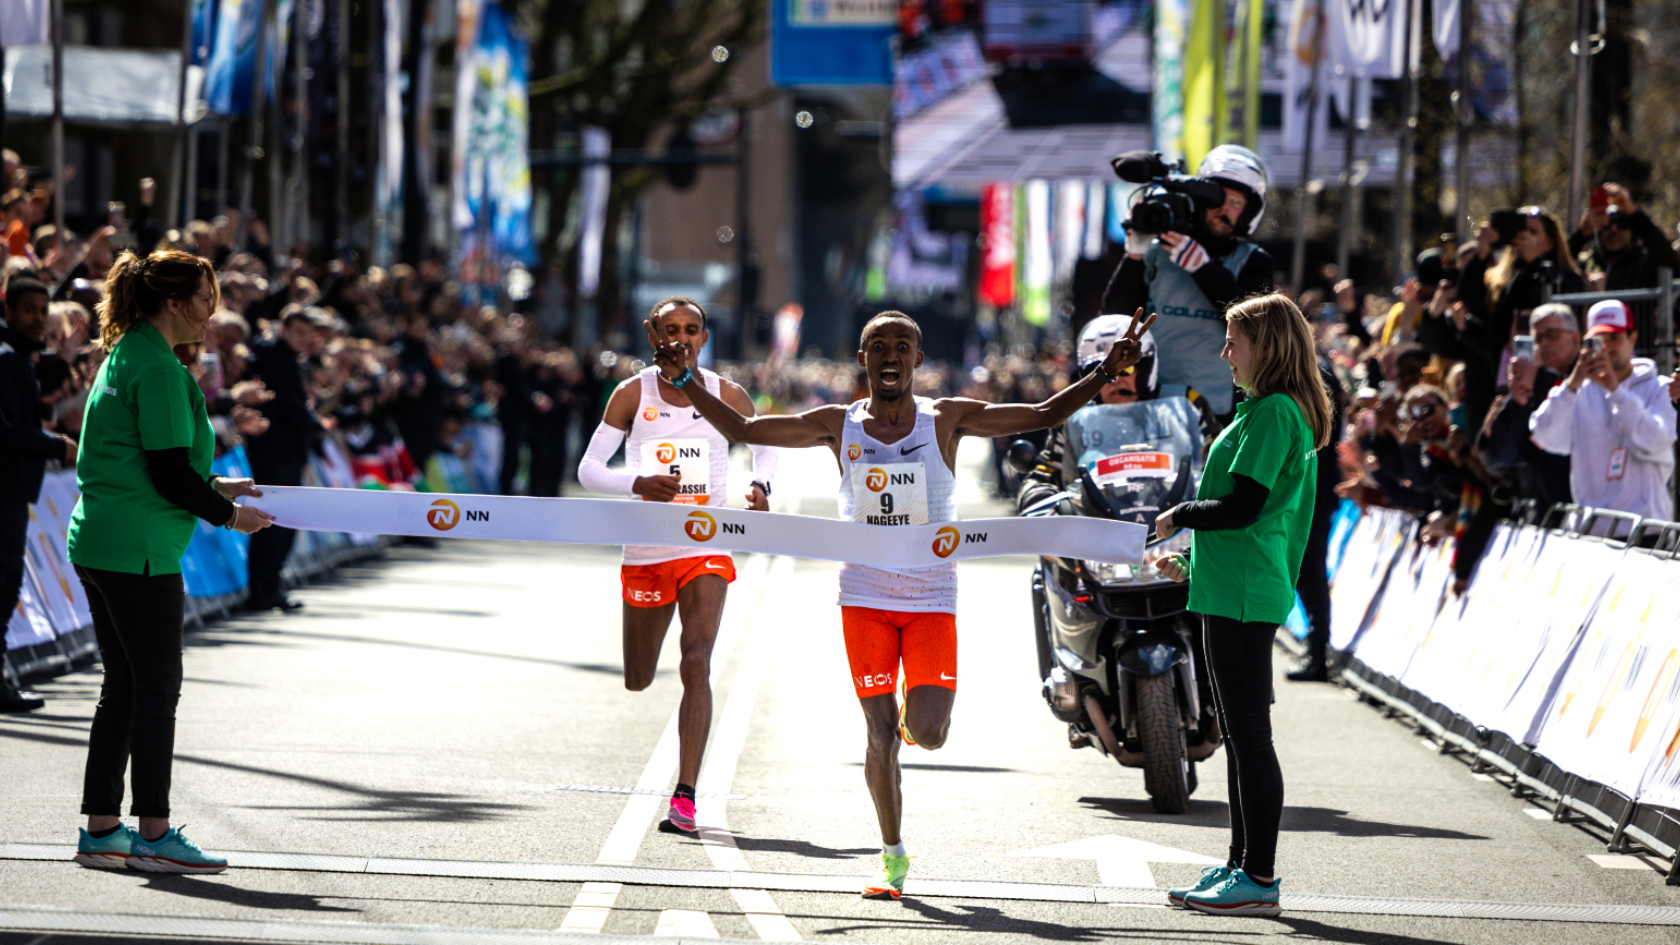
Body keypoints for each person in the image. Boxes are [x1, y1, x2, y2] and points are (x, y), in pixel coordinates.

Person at [655, 306, 1155, 900]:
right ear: (863, 359)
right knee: (879, 733)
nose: (890, 356)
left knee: (930, 731)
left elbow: (1046, 413)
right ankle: (892, 854)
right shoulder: (836, 424)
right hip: (863, 597)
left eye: (901, 347)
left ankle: (913, 721)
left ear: (917, 360)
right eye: (878, 346)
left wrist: (1104, 373)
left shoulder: (946, 420)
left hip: (930, 599)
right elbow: (747, 431)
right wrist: (685, 381)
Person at [69, 250, 274, 874]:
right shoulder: (157, 368)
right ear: (177, 301)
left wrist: (215, 485)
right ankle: (153, 835)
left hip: (104, 541)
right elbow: (164, 475)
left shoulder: (127, 353)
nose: (213, 312)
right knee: (155, 690)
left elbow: (152, 461)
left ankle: (104, 829)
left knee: (124, 689)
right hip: (140, 551)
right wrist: (227, 515)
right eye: (207, 298)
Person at [1152, 292, 1332, 917]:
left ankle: (1258, 874)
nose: (1225, 352)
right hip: (1230, 585)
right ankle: (1239, 864)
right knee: (1239, 736)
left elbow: (1245, 509)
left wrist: (1179, 516)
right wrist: (1191, 560)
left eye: (1235, 341)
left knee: (1251, 738)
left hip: (1247, 592)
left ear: (1269, 345)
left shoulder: (1277, 412)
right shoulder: (1264, 410)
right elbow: (1243, 515)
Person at [575, 296, 778, 835]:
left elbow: (764, 446)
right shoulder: (630, 394)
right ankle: (649, 684)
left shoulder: (724, 393)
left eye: (692, 330)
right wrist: (636, 483)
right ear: (652, 334)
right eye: (671, 329)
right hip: (646, 548)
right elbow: (589, 468)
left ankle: (685, 794)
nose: (681, 338)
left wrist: (761, 484)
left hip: (704, 543)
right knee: (639, 677)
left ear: (704, 339)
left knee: (696, 659)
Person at [1103, 145, 1274, 417]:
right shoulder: (1158, 252)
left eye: (1236, 202)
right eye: (1217, 199)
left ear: (1248, 212)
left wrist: (1203, 268)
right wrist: (1134, 256)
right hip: (1152, 404)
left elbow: (1254, 327)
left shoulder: (1254, 261)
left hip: (1218, 411)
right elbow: (1114, 318)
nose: (1223, 209)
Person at [1432, 207, 1583, 435]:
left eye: (1533, 233)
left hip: (1550, 376)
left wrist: (1535, 264)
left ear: (1551, 242)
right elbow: (1469, 300)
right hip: (1501, 378)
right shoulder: (1502, 280)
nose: (1524, 238)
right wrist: (1482, 252)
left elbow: (1558, 302)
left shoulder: (1567, 277)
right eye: (1520, 231)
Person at [0, 278, 78, 713]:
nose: (37, 318)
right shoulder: (6, 357)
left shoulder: (21, 357)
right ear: (7, 309)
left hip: (14, 491)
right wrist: (55, 444)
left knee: (7, 583)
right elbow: (6, 430)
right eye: (28, 309)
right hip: (5, 490)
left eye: (42, 310)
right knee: (3, 582)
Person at [1530, 299, 1676, 522]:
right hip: (1592, 534)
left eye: (1615, 338)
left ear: (1632, 339)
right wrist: (1571, 384)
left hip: (1645, 531)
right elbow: (1545, 436)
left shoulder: (1659, 388)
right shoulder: (1577, 392)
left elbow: (1655, 440)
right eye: (1598, 341)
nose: (1606, 347)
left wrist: (1616, 392)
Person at [1016, 312, 1158, 511]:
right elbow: (1044, 475)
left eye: (1126, 369)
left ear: (1146, 370)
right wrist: (1041, 505)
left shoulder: (1185, 409)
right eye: (1101, 370)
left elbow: (1210, 468)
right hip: (1094, 531)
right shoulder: (1073, 420)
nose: (1116, 380)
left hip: (1170, 533)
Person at [242, 306, 328, 612]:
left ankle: (270, 587)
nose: (306, 339)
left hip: (287, 454)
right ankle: (262, 590)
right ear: (284, 331)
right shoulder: (275, 360)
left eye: (309, 333)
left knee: (283, 524)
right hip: (275, 455)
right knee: (272, 524)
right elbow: (294, 410)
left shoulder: (291, 361)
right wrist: (314, 421)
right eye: (299, 332)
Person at [1477, 303, 1581, 510]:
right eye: (1537, 338)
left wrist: (1539, 378)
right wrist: (1518, 401)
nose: (1543, 344)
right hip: (1549, 511)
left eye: (1552, 335)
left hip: (1588, 509)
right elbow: (1503, 458)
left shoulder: (1591, 375)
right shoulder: (1532, 385)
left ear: (1575, 339)